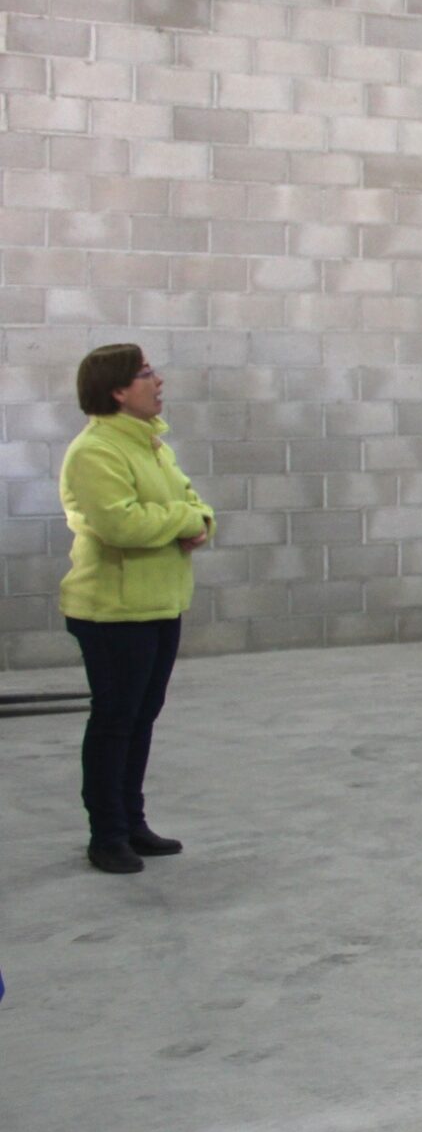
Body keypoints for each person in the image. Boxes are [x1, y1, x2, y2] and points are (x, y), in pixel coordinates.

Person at [59, 343, 212, 875]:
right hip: (111, 612)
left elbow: (192, 501)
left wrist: (199, 520)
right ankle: (106, 834)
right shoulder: (96, 451)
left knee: (141, 717)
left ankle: (132, 820)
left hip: (158, 603)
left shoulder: (151, 445)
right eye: (146, 374)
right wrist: (182, 521)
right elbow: (121, 525)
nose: (159, 381)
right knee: (115, 721)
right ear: (118, 390)